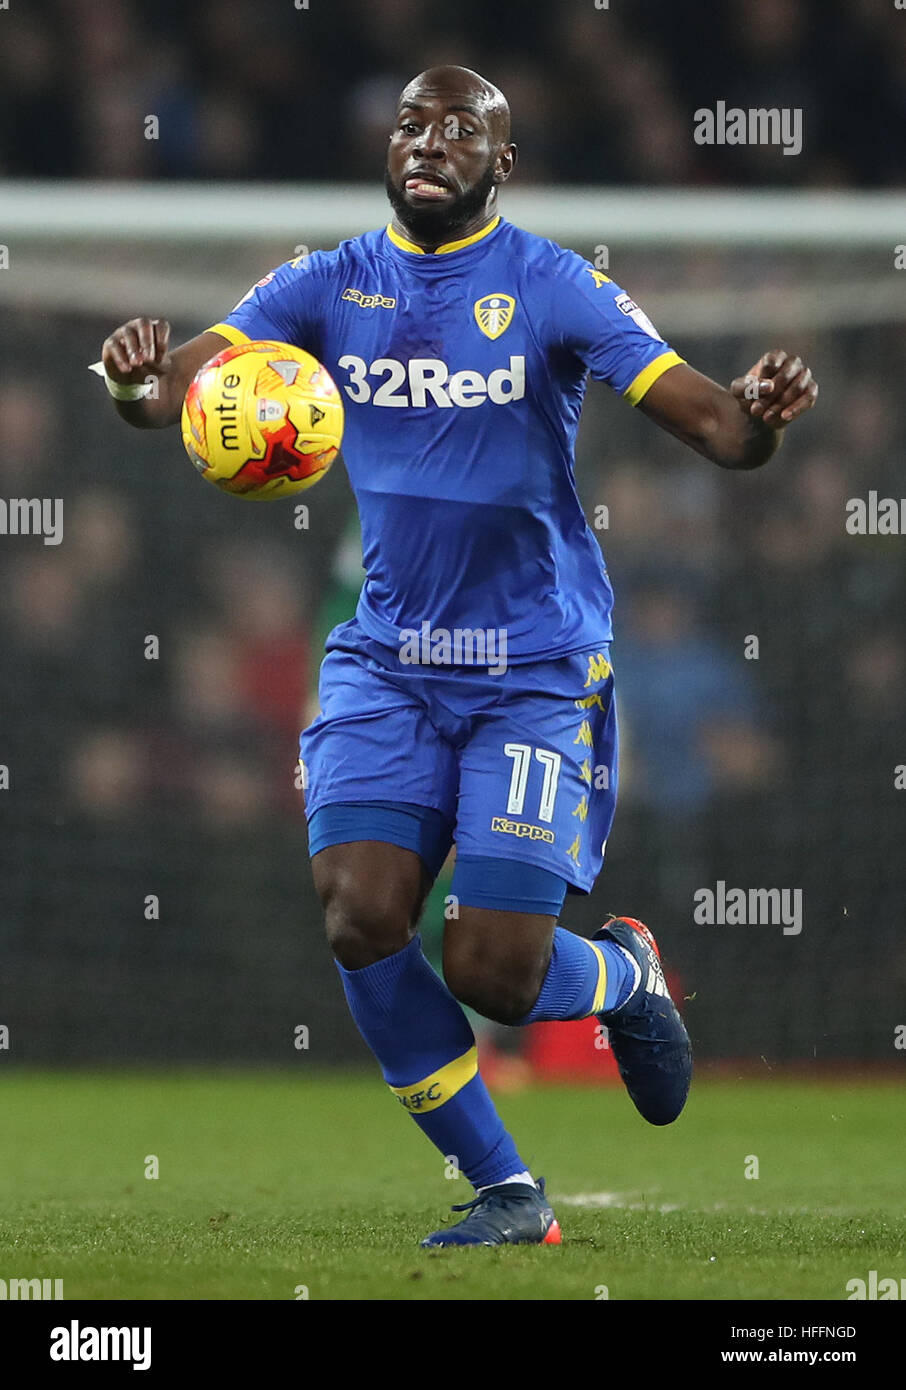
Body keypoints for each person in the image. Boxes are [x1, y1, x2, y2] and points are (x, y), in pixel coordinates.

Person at [97, 65, 818, 1247]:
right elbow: (175, 389)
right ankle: (507, 1189)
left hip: (533, 670)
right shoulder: (325, 282)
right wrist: (133, 384)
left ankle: (624, 978)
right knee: (360, 914)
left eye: (460, 127)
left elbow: (721, 429)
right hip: (387, 660)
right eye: (411, 124)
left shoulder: (552, 284)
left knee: (495, 970)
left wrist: (761, 413)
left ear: (503, 163)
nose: (428, 141)